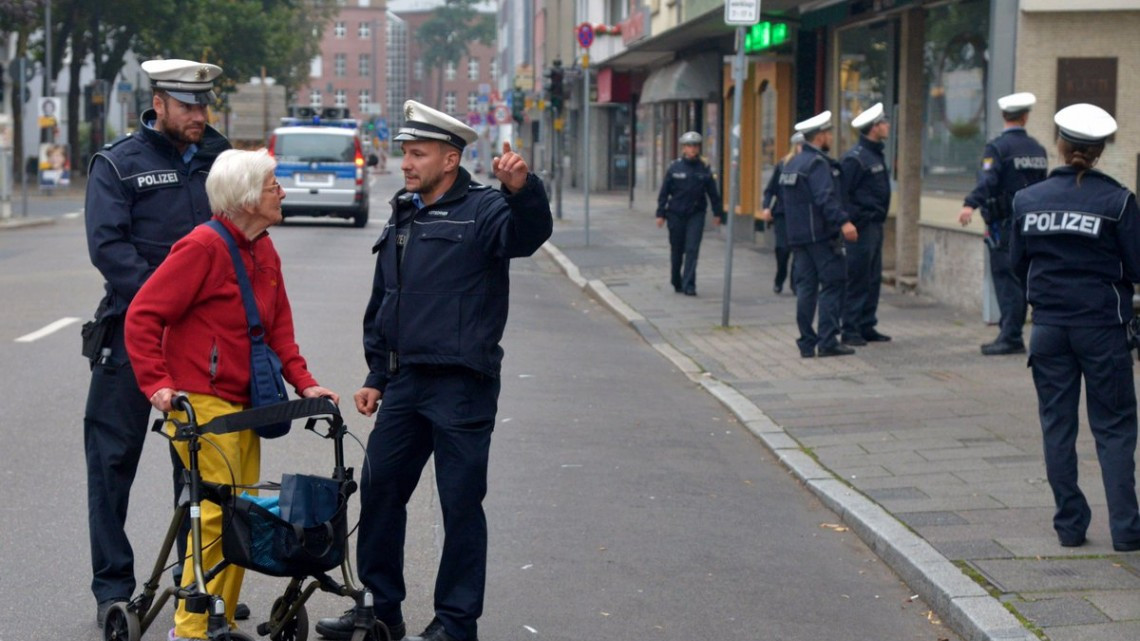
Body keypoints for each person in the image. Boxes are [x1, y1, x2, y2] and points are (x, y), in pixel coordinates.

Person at [315, 100, 552, 641]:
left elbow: (529, 234)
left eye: (417, 154)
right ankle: (381, 610)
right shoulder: (405, 210)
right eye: (405, 153)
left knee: (460, 506)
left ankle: (454, 623)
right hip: (405, 383)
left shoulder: (488, 210)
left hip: (462, 386)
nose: (406, 163)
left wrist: (524, 190)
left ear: (450, 160)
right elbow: (386, 299)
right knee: (378, 490)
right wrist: (377, 374)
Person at [125, 148, 340, 639]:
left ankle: (219, 617)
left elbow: (279, 326)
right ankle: (193, 628)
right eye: (272, 186)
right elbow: (142, 315)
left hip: (247, 404)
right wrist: (158, 384)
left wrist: (304, 381)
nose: (281, 193)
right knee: (218, 516)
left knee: (241, 517)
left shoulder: (262, 247)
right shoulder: (202, 247)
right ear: (245, 198)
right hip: (200, 402)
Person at [82, 58, 233, 628]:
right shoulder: (117, 165)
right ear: (160, 104)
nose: (199, 114)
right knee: (112, 464)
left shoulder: (222, 160)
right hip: (129, 336)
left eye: (204, 104)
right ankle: (113, 590)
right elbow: (109, 248)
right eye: (187, 105)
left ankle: (195, 583)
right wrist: (167, 301)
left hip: (201, 345)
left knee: (201, 466)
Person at [1010, 104, 1140, 552]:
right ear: (1100, 151)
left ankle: (1069, 525)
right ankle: (1126, 531)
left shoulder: (1027, 200)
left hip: (1048, 328)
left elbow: (1016, 265)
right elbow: (1137, 266)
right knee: (1116, 428)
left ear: (1059, 145)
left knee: (1057, 427)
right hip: (1103, 328)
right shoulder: (1118, 201)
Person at [958, 92, 1048, 356]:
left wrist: (969, 204)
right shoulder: (1038, 149)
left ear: (1004, 116)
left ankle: (1010, 336)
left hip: (1005, 225)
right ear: (1025, 116)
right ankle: (1015, 332)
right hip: (1032, 224)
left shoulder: (997, 148)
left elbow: (988, 182)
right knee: (1022, 279)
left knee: (1006, 281)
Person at [780, 110, 859, 358]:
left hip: (798, 237)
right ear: (821, 136)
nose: (831, 138)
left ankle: (806, 342)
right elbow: (825, 198)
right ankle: (827, 341)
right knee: (833, 285)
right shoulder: (817, 163)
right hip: (821, 237)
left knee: (806, 289)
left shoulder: (792, 163)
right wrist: (844, 223)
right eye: (829, 134)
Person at [840, 102, 892, 346]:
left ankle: (866, 324)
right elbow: (842, 194)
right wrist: (850, 221)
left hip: (874, 225)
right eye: (884, 123)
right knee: (858, 278)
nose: (887, 126)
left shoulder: (874, 154)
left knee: (872, 278)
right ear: (874, 128)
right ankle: (850, 328)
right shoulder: (855, 159)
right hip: (861, 227)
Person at [655, 131, 725, 296]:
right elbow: (664, 192)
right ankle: (676, 279)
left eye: (695, 146)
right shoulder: (674, 167)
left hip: (696, 214)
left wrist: (717, 213)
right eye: (689, 146)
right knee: (677, 250)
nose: (692, 149)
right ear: (684, 148)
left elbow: (713, 193)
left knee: (692, 249)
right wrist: (660, 214)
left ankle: (690, 284)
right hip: (675, 214)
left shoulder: (704, 168)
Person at [758, 132, 804, 294]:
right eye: (799, 145)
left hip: (802, 215)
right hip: (783, 214)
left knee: (799, 251)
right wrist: (766, 207)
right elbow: (771, 190)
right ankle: (780, 276)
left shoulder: (813, 165)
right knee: (782, 249)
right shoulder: (784, 165)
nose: (802, 148)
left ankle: (795, 282)